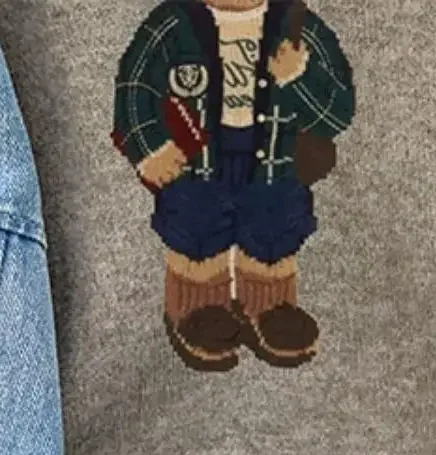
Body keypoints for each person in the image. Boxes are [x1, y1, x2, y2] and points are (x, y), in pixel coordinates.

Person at [113, 0, 355, 371]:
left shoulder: (299, 28)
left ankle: (272, 306)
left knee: (274, 226)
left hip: (274, 161)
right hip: (194, 162)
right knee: (196, 226)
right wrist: (149, 148)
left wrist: (299, 78)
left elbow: (338, 112)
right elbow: (134, 87)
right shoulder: (171, 25)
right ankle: (197, 306)